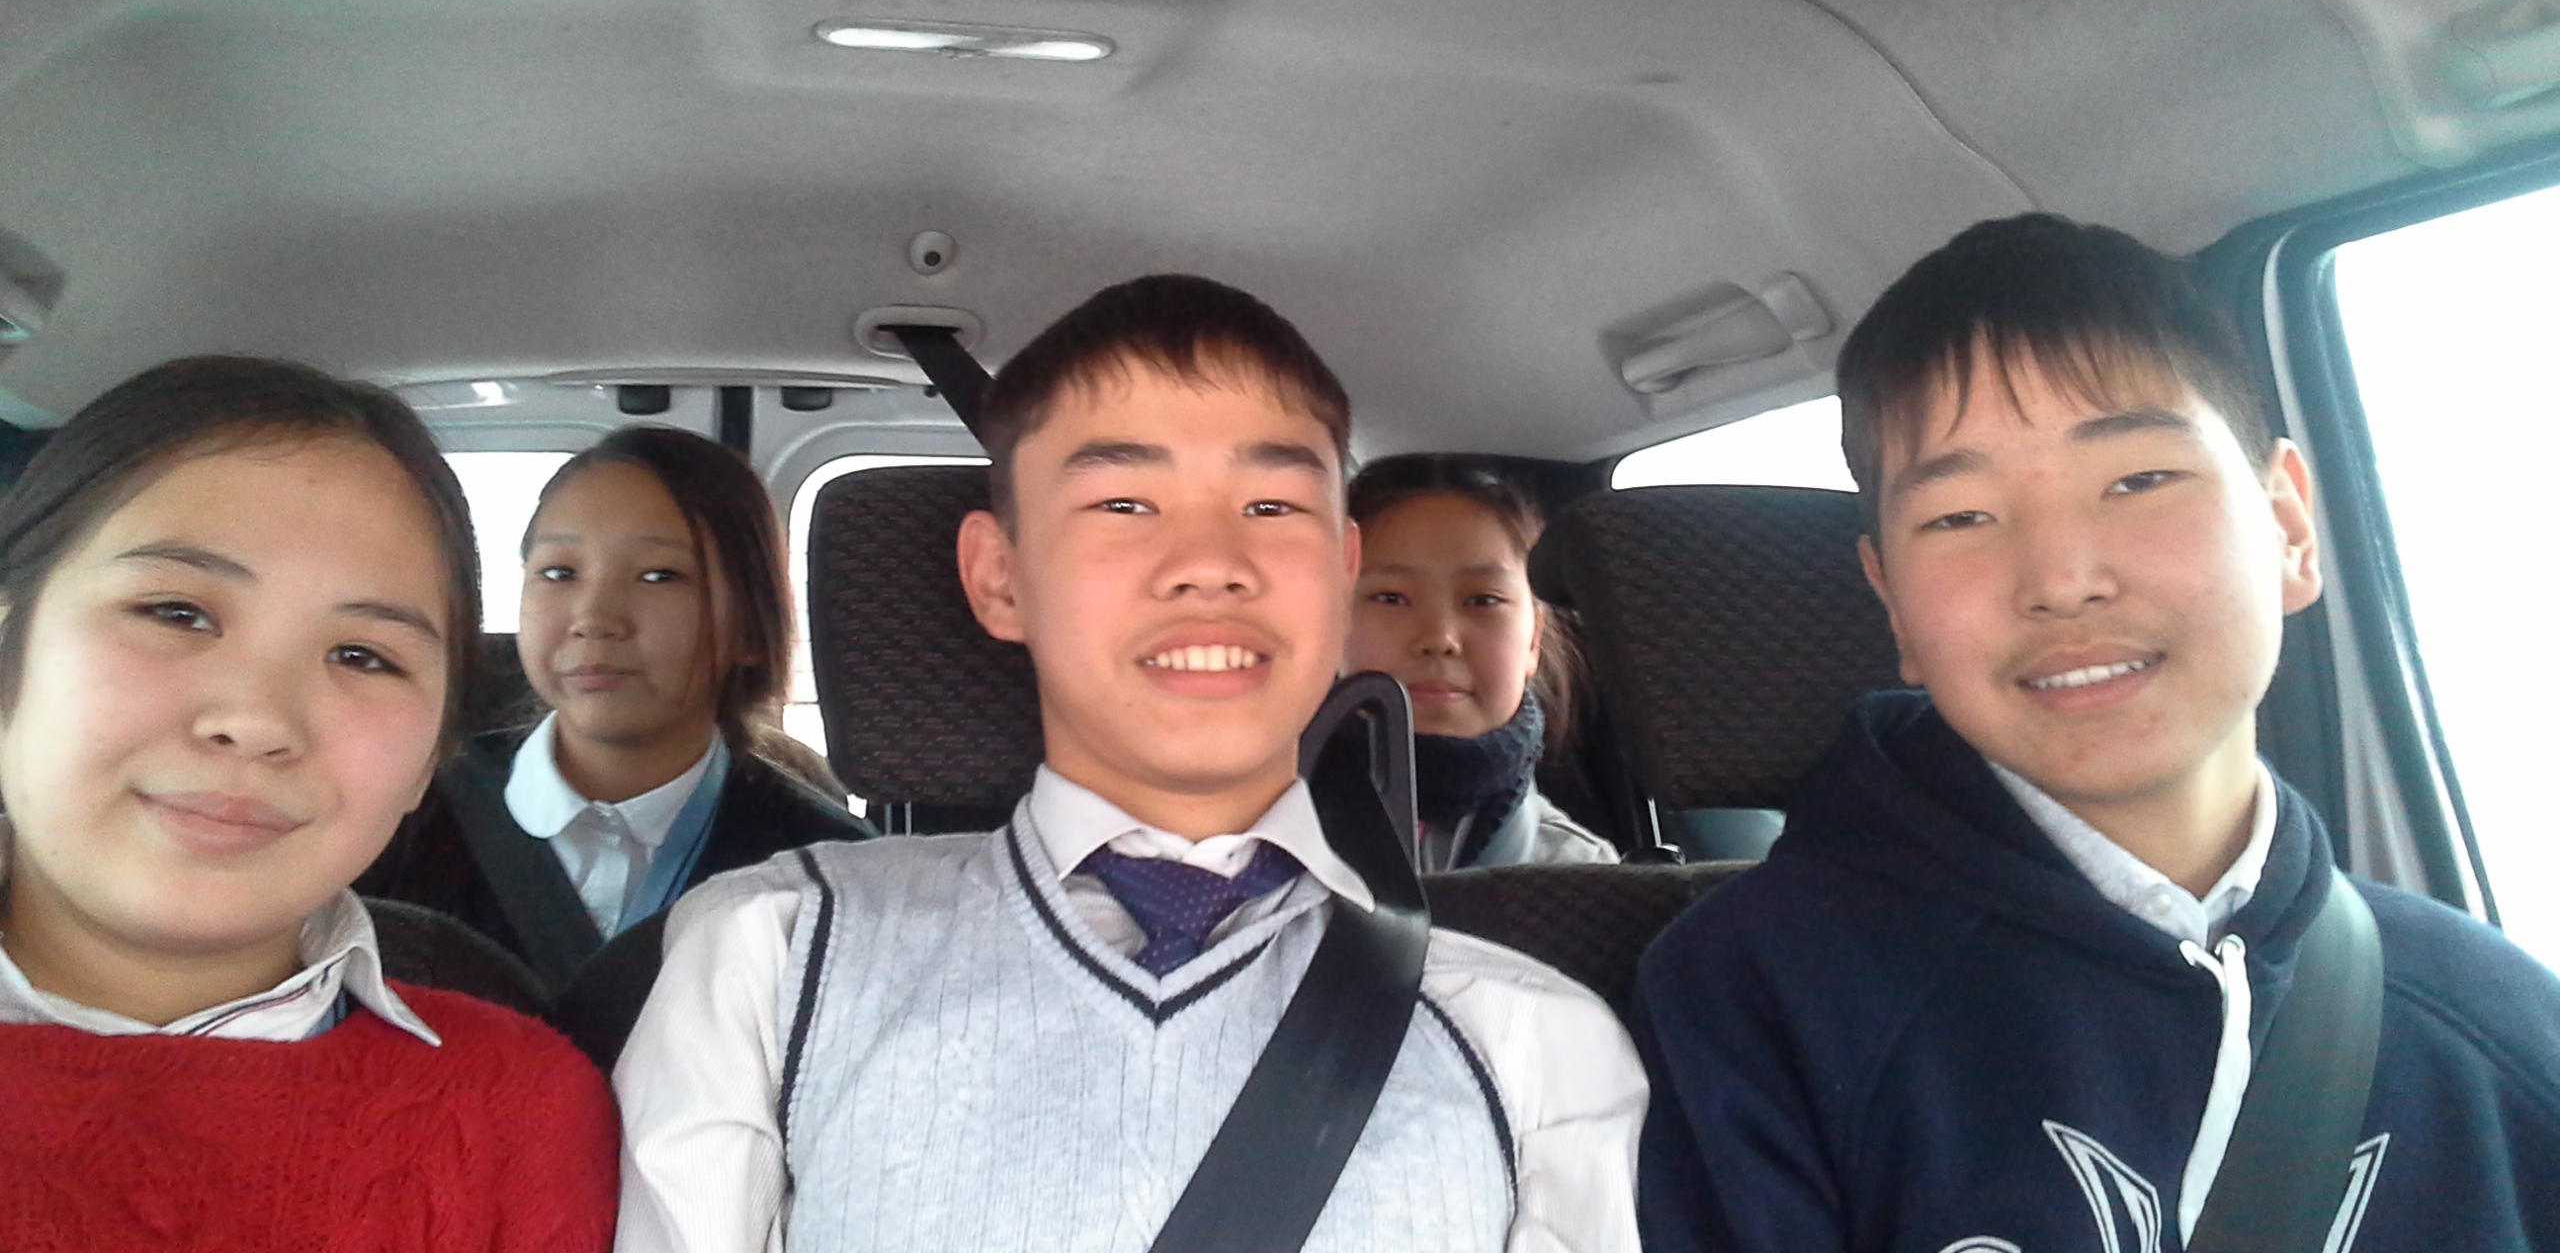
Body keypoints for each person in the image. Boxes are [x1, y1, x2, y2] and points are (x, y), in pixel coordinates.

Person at [613, 274, 1645, 1253]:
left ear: (1339, 574)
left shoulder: (1535, 1046)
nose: (1210, 564)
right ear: (999, 576)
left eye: (1272, 507)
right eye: (1123, 504)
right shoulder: (776, 952)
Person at [1634, 214, 2560, 1251]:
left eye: (2137, 481)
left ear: (2289, 526)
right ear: (1891, 603)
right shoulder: (1761, 998)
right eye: (1959, 517)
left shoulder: (2499, 1019)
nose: (2062, 578)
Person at [0, 356, 616, 1251]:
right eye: (176, 612)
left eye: (363, 657)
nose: (256, 722)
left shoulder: (523, 1115)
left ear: (428, 762)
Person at [360, 427, 870, 994]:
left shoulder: (827, 873)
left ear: (751, 628)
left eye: (659, 576)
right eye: (559, 573)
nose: (594, 617)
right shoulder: (392, 819)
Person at [1345, 454, 1616, 869]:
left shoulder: (1580, 875)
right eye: (1391, 598)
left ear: (1533, 640)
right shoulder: (1246, 838)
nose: (1440, 638)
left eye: (1484, 600)